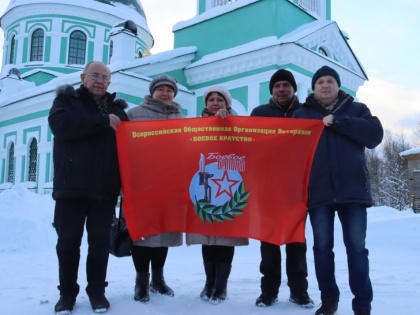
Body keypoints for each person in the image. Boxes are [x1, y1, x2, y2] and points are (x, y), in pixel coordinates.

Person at [293, 66, 383, 315]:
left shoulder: (357, 110)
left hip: (353, 193)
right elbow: (287, 148)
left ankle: (362, 305)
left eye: (330, 80)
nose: (325, 84)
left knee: (357, 249)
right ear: (314, 87)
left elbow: (374, 136)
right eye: (320, 81)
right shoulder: (301, 115)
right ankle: (329, 300)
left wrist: (339, 122)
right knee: (322, 249)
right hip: (318, 194)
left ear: (338, 85)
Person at [48, 61, 128, 314]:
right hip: (71, 188)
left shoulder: (118, 109)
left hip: (104, 191)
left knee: (100, 244)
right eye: (94, 75)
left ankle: (97, 291)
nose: (100, 80)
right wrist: (103, 122)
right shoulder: (66, 101)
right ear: (83, 77)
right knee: (68, 244)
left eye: (105, 77)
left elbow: (130, 148)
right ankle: (67, 294)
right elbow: (61, 127)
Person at [250, 69, 314, 308]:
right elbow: (247, 143)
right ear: (272, 90)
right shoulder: (259, 113)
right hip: (268, 188)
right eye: (277, 86)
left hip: (298, 189)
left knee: (296, 243)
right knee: (269, 243)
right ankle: (268, 292)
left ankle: (299, 291)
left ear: (293, 88)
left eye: (286, 85)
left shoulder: (306, 113)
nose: (282, 89)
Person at [186, 85, 249, 304]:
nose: (215, 102)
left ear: (227, 103)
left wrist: (226, 123)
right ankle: (208, 282)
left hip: (229, 186)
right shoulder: (195, 126)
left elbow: (244, 149)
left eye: (219, 99)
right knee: (208, 239)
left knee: (225, 238)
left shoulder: (238, 125)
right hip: (204, 186)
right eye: (211, 99)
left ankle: (221, 286)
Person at [127, 74, 183, 303]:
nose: (165, 93)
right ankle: (141, 280)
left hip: (170, 185)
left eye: (169, 90)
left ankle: (158, 279)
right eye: (160, 89)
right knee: (143, 234)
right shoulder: (134, 114)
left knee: (164, 233)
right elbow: (123, 147)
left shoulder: (180, 117)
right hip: (142, 185)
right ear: (152, 92)